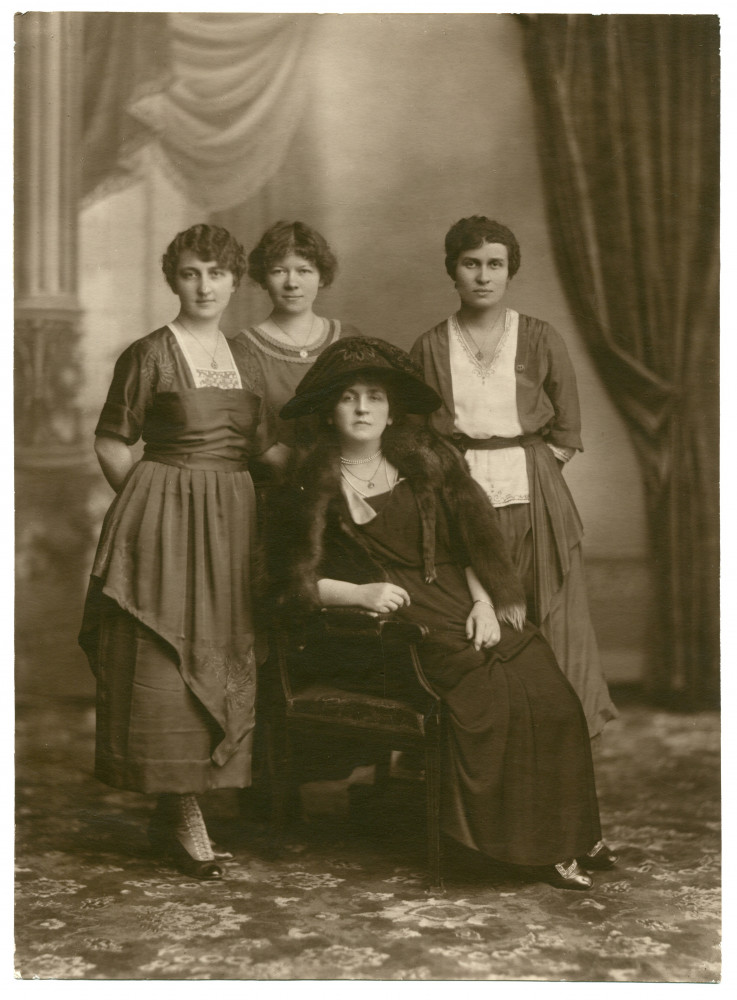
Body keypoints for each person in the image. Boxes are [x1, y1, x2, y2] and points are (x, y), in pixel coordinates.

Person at [268, 336, 618, 890]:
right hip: (386, 630)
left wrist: (483, 602)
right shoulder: (310, 483)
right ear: (329, 409)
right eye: (349, 398)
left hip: (458, 602)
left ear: (391, 409)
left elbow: (466, 549)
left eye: (375, 397)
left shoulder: (425, 464)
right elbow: (290, 587)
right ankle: (522, 847)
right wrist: (359, 595)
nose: (363, 408)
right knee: (489, 700)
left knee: (547, 688)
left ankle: (567, 830)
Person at [79, 224, 286, 880]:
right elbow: (114, 441)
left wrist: (344, 468)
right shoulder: (149, 354)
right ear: (174, 279)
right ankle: (182, 807)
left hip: (232, 526)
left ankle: (175, 809)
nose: (204, 287)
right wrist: (150, 510)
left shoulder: (246, 360)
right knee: (165, 660)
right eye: (192, 273)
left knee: (220, 654)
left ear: (234, 281)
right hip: (166, 528)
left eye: (217, 274)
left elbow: (268, 452)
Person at [411, 217, 617, 739]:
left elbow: (567, 431)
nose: (483, 275)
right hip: (458, 495)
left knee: (550, 616)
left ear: (510, 272)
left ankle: (562, 741)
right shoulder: (430, 347)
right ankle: (495, 743)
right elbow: (415, 436)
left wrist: (531, 473)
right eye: (471, 263)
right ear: (452, 271)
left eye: (495, 264)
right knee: (478, 617)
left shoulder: (541, 337)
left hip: (535, 493)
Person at [236, 220, 362, 449]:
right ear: (263, 278)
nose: (292, 283)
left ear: (322, 277)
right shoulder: (243, 349)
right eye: (279, 271)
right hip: (273, 479)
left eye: (304, 271)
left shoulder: (347, 339)